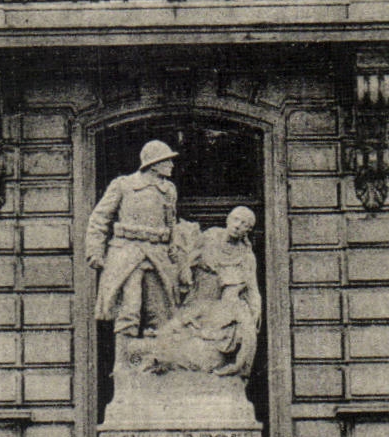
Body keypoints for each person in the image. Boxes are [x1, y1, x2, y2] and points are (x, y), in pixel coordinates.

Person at [86, 140, 183, 349]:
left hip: (158, 255)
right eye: (167, 161)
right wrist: (95, 251)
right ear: (154, 163)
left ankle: (157, 364)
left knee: (161, 313)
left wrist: (174, 247)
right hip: (128, 253)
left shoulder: (169, 190)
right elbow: (100, 217)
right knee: (129, 311)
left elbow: (171, 222)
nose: (172, 166)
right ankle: (124, 365)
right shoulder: (123, 185)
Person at [147, 206, 262, 377]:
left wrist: (255, 314)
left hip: (222, 304)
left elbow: (252, 289)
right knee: (180, 325)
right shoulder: (210, 236)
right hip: (200, 291)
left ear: (248, 230)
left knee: (205, 340)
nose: (238, 225)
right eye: (236, 219)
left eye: (244, 224)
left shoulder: (246, 256)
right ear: (228, 219)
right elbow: (187, 260)